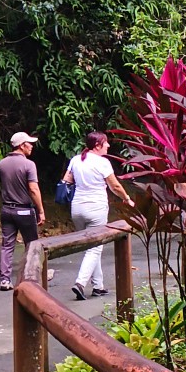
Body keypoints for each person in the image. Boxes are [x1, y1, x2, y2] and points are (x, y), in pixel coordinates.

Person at [60, 129, 134, 301]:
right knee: (95, 247)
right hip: (96, 208)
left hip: (77, 208)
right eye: (105, 142)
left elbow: (66, 181)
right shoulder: (103, 163)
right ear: (97, 145)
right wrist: (127, 198)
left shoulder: (76, 160)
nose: (108, 145)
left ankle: (98, 286)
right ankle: (80, 283)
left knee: (90, 247)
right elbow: (115, 186)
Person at [0, 130, 45, 290]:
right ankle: (31, 278)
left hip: (6, 210)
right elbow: (33, 189)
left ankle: (4, 279)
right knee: (32, 245)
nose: (31, 146)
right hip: (24, 210)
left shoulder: (2, 164)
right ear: (22, 145)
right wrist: (41, 210)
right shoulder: (28, 164)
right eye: (29, 143)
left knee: (7, 245)